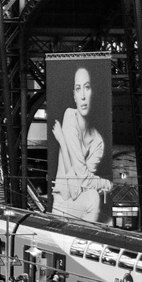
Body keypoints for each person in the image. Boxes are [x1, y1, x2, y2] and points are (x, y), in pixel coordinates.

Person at [52, 66, 111, 223]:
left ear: (93, 92)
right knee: (92, 196)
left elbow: (80, 184)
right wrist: (104, 183)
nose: (83, 96)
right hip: (62, 203)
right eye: (78, 89)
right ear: (74, 96)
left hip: (78, 201)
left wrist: (63, 144)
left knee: (91, 196)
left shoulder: (98, 142)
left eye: (87, 87)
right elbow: (79, 180)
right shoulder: (69, 116)